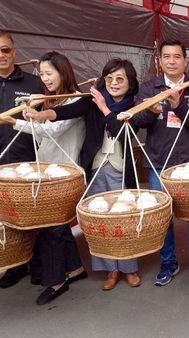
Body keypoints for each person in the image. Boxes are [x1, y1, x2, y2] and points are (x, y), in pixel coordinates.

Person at [26, 58, 142, 290]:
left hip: (122, 169)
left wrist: (105, 109)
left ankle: (129, 268)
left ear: (130, 83)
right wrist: (40, 115)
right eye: (109, 78)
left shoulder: (135, 106)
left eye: (120, 79)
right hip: (97, 167)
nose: (114, 83)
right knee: (100, 219)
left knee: (124, 218)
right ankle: (111, 269)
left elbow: (124, 131)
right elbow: (66, 110)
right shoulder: (91, 101)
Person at [131, 39, 189, 287]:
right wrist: (152, 111)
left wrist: (178, 106)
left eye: (177, 56)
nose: (172, 61)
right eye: (167, 56)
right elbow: (137, 122)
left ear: (186, 61)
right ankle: (168, 263)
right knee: (163, 217)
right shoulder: (149, 88)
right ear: (160, 61)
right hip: (159, 163)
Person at [14, 51, 87, 305]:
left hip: (64, 174)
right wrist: (27, 116)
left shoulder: (75, 101)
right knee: (58, 224)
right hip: (46, 171)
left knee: (51, 228)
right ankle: (76, 269)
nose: (44, 79)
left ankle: (56, 281)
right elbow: (41, 136)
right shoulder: (51, 100)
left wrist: (11, 122)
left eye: (49, 73)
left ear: (63, 72)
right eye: (42, 74)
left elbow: (52, 129)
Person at [0, 29, 43, 289]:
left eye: (5, 50)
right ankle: (15, 264)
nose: (1, 55)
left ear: (14, 52)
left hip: (26, 161)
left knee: (33, 215)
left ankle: (37, 264)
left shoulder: (32, 84)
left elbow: (50, 113)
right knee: (7, 216)